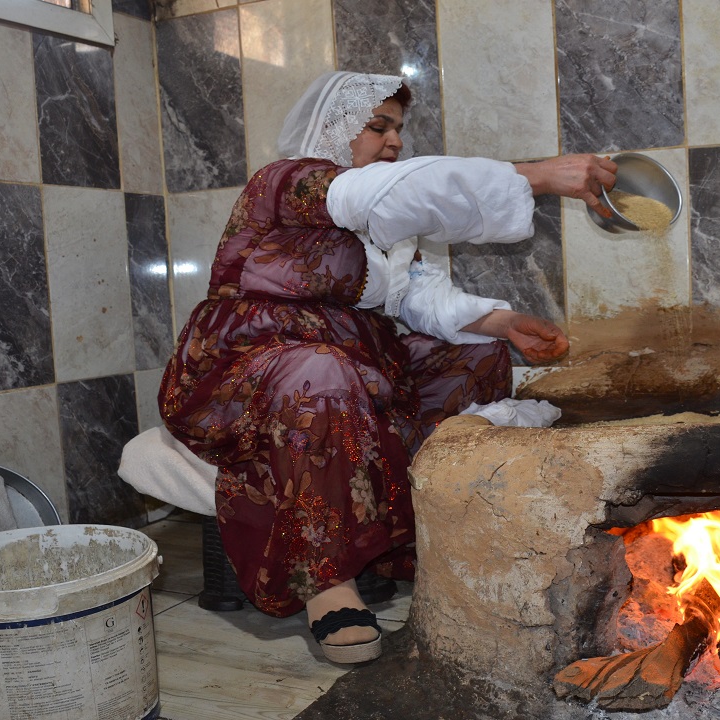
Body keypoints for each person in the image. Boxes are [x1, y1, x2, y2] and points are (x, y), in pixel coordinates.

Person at [159, 71, 616, 663]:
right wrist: (535, 175)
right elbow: (394, 194)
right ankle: (327, 582)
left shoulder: (382, 228)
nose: (394, 141)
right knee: (319, 372)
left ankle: (435, 524)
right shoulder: (287, 184)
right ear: (335, 129)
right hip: (247, 369)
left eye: (398, 129)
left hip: (354, 362)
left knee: (472, 355)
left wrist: (502, 324)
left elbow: (412, 297)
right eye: (378, 127)